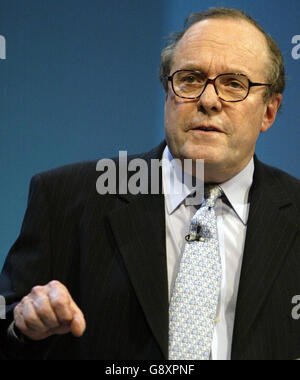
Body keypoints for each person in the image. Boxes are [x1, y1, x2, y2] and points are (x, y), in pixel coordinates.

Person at [0, 7, 299, 360]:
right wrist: (21, 327)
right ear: (167, 92)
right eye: (190, 78)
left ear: (269, 111)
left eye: (234, 84)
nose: (207, 101)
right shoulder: (68, 198)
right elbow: (8, 325)